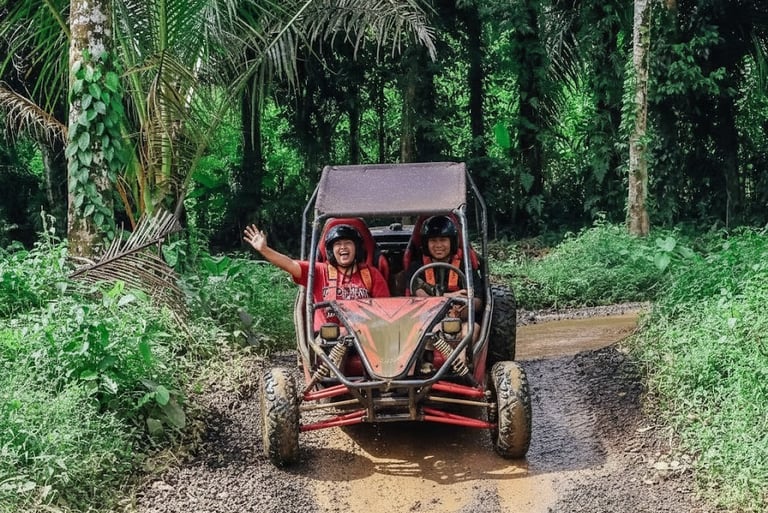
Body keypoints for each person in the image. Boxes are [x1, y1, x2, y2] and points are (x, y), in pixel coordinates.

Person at [244, 222, 390, 330]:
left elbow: (385, 311)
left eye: (348, 243)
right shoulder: (320, 271)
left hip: (366, 336)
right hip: (329, 340)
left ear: (356, 249)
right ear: (331, 251)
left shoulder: (371, 275)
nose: (343, 247)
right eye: (338, 244)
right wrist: (264, 250)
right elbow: (290, 265)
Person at [405, 215, 482, 343]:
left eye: (443, 240)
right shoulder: (416, 267)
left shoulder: (465, 266)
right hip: (426, 322)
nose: (438, 245)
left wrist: (462, 308)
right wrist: (451, 297)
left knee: (471, 330)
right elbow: (421, 297)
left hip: (459, 321)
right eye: (433, 240)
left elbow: (478, 302)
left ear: (452, 241)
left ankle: (463, 361)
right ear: (426, 243)